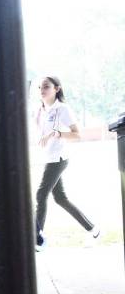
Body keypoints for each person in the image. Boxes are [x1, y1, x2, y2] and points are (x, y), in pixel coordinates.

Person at [34, 75, 99, 247]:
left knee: (41, 195)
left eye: (46, 86)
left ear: (57, 88)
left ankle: (37, 239)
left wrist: (56, 133)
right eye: (40, 87)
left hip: (59, 158)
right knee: (60, 199)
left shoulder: (62, 109)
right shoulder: (41, 110)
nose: (42, 90)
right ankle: (93, 229)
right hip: (48, 158)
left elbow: (77, 134)